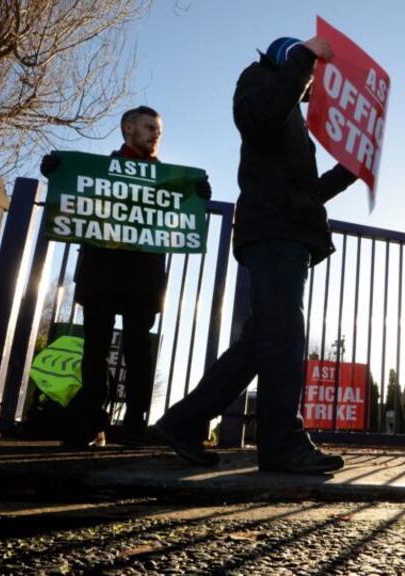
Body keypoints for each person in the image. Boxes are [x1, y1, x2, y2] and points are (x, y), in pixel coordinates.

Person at [152, 36, 357, 473]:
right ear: (288, 59)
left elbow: (307, 194)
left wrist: (347, 172)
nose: (311, 87)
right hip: (273, 234)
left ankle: (183, 422)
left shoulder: (289, 113)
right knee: (283, 339)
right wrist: (305, 56)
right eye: (310, 76)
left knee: (260, 344)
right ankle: (282, 443)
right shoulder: (258, 81)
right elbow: (259, 119)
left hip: (287, 231)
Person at [41, 106, 211, 447]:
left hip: (142, 277)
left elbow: (182, 216)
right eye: (149, 127)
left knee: (137, 351)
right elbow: (75, 191)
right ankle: (89, 423)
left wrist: (198, 195)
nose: (155, 134)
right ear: (128, 128)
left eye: (158, 130)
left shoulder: (168, 181)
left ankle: (134, 426)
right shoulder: (97, 172)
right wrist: (57, 172)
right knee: (95, 350)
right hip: (101, 271)